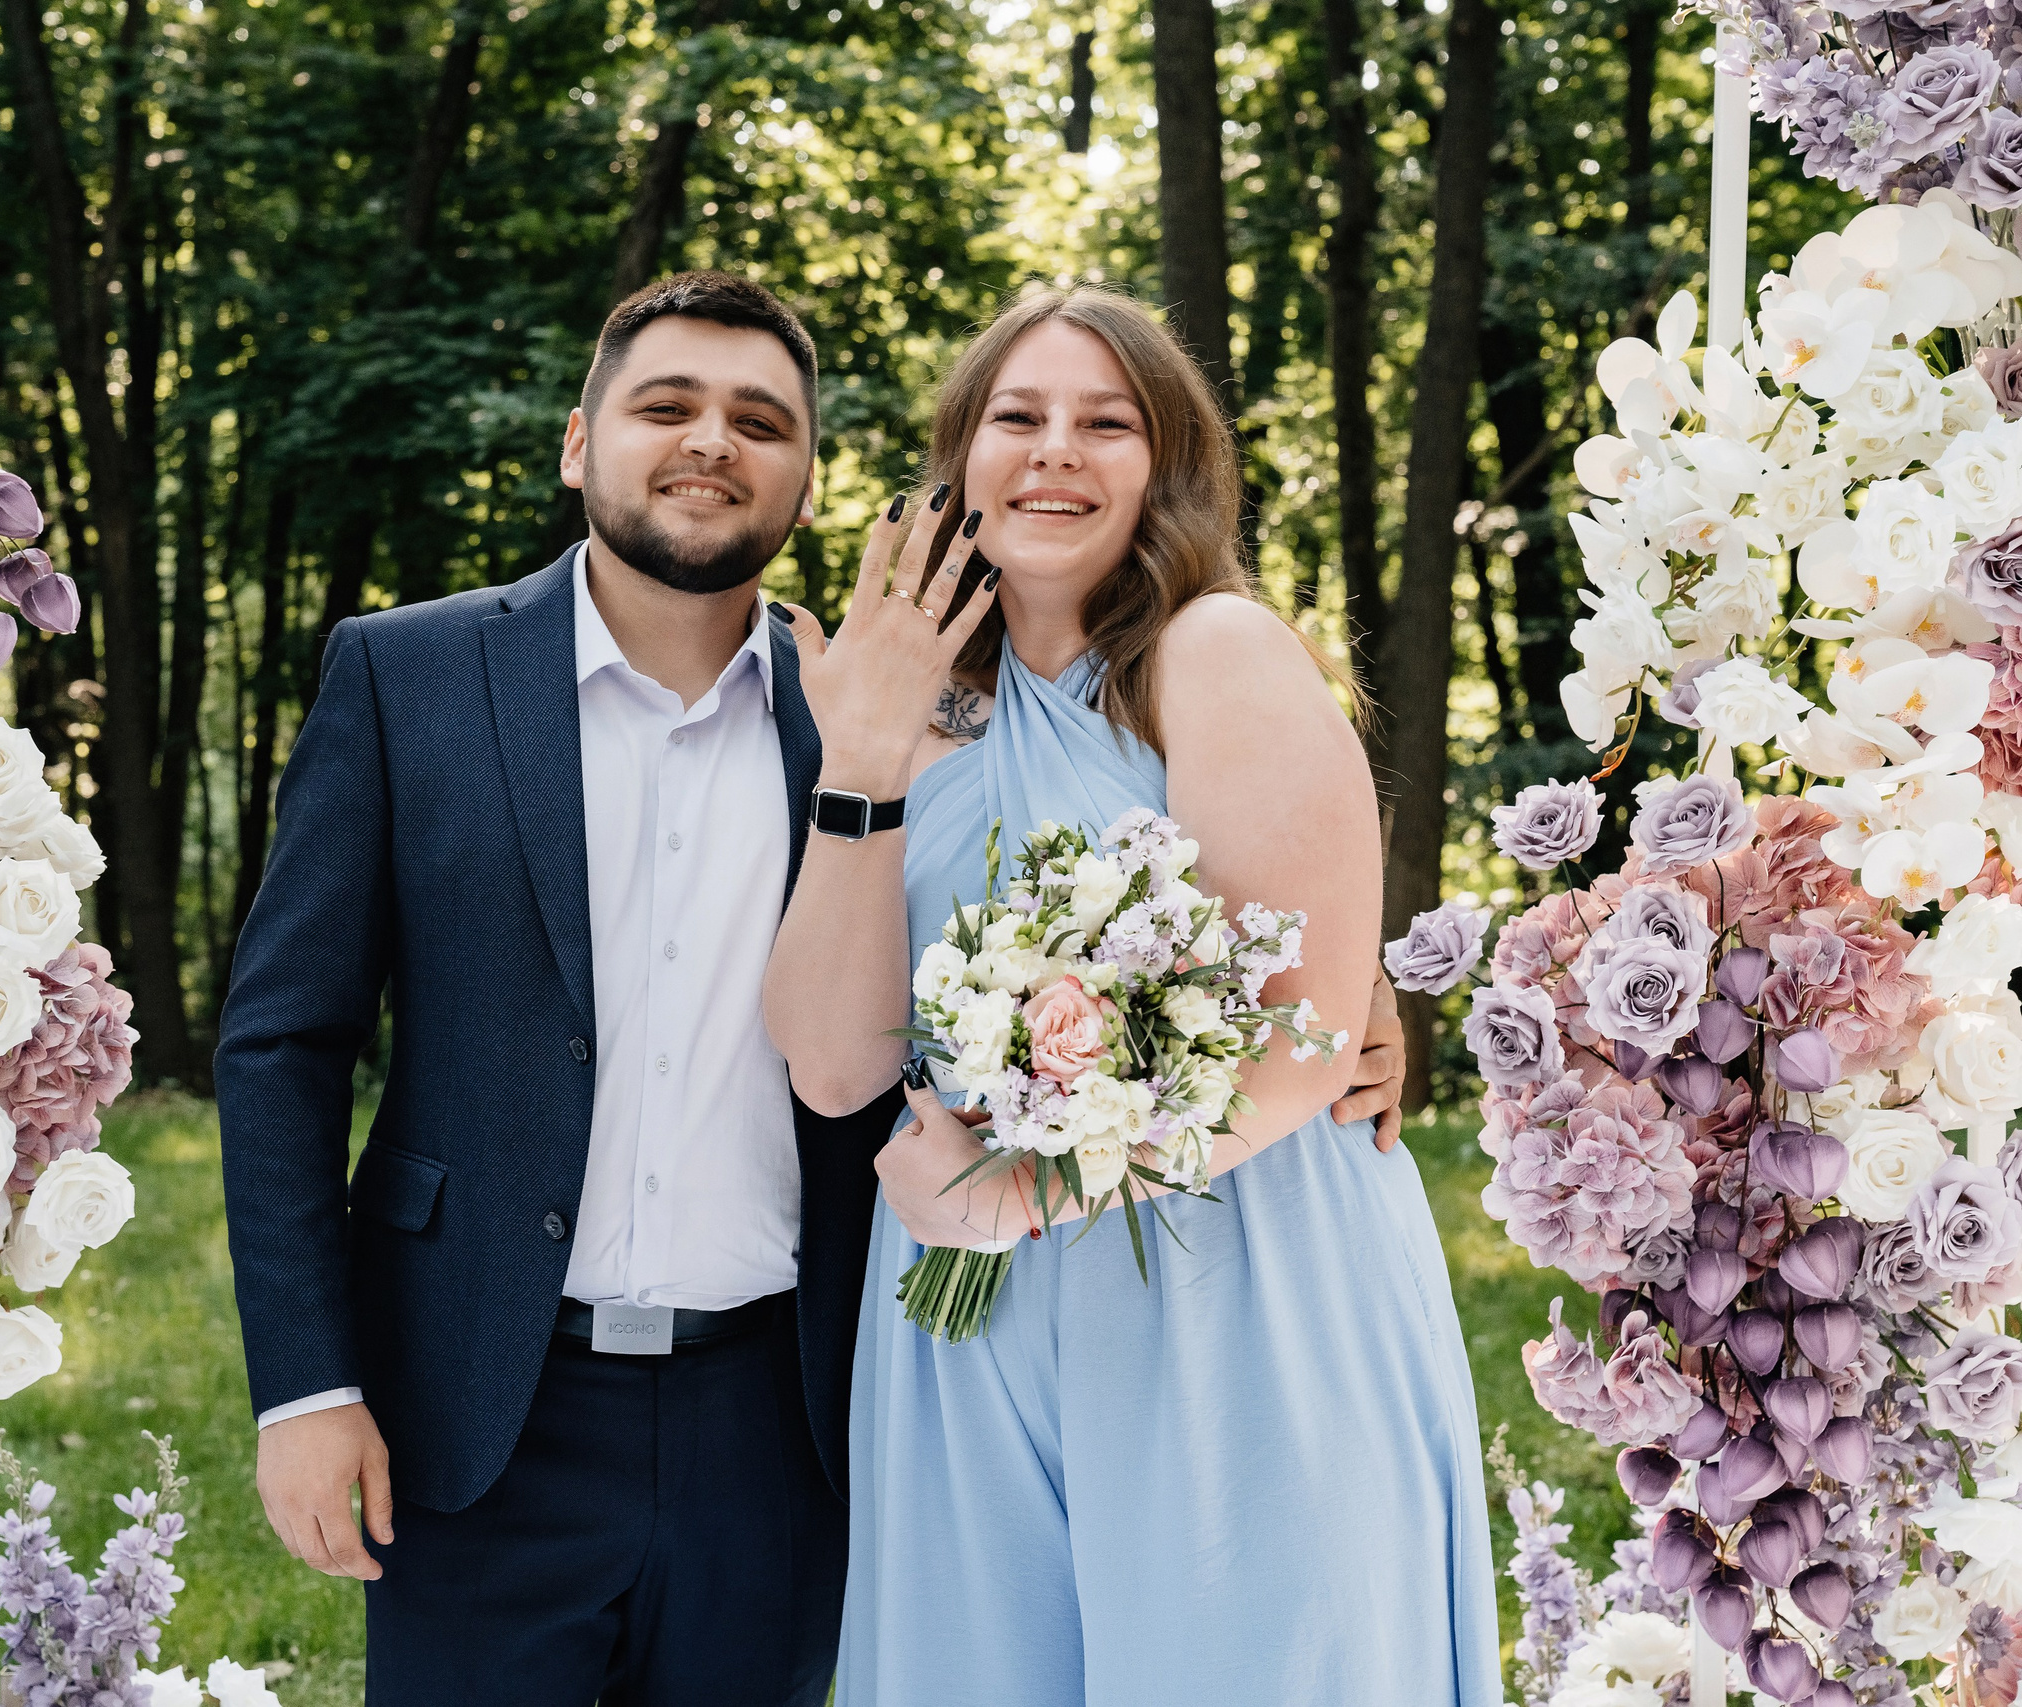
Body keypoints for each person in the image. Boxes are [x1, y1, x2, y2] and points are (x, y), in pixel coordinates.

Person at [215, 271, 1414, 1707]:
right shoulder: (418, 677)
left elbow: (1263, 920)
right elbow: (284, 1042)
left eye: (760, 420)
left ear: (809, 475)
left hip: (795, 1409)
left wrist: (1354, 1005)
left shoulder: (864, 698)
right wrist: (306, 1384)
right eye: (666, 405)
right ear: (578, 441)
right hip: (488, 1404)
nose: (710, 441)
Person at [763, 283, 1501, 1704]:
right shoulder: (894, 702)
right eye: (1017, 418)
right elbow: (834, 1065)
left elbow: (1303, 1040)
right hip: (965, 1320)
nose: (1055, 452)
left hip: (1237, 1283)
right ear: (960, 454)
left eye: (1105, 424)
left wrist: (1025, 1191)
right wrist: (859, 759)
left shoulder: (1213, 653)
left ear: (1165, 468)